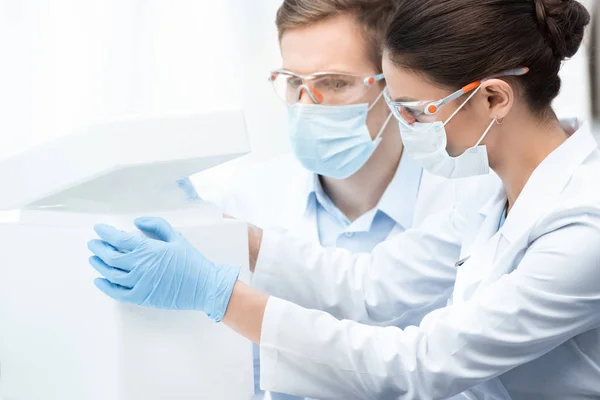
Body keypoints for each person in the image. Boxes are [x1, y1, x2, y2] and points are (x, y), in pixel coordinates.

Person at [87, 0, 600, 398]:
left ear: (493, 98)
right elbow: (370, 288)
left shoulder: (584, 228)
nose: (403, 127)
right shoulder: (495, 191)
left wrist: (219, 296)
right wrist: (225, 231)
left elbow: (416, 365)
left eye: (415, 112)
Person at [210, 1, 472, 398]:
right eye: (293, 81)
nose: (306, 104)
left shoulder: (466, 200)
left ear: (395, 86)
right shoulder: (248, 198)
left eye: (334, 83)